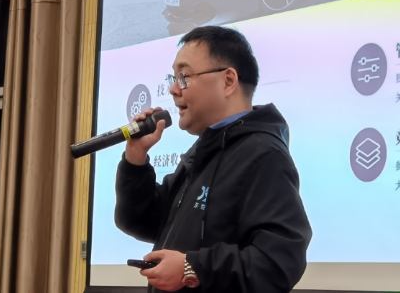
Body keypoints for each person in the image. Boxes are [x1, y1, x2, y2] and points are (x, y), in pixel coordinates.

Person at [114, 26, 312, 292]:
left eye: (184, 77)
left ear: (228, 81)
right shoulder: (204, 151)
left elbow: (278, 262)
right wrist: (135, 158)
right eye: (173, 78)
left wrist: (191, 269)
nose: (173, 89)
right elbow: (141, 221)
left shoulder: (263, 154)